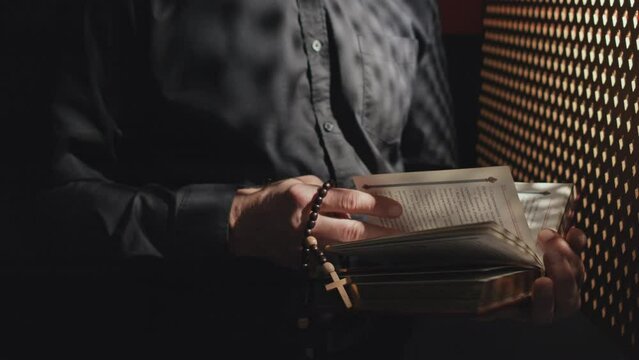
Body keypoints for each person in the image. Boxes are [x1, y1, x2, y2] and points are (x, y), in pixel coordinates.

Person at [3, 0, 586, 359]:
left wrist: (495, 273)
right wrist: (232, 221)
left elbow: (434, 196)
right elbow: (42, 207)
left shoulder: (409, 4)